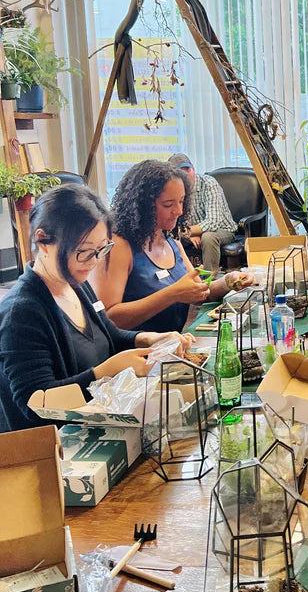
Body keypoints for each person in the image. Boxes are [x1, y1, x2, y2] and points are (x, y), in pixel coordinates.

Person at [0, 185, 193, 432]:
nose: (93, 262)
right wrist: (104, 373)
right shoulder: (22, 313)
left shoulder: (76, 285)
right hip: (56, 451)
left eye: (101, 250)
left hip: (96, 427)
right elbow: (35, 406)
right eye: (83, 252)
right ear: (43, 241)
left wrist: (147, 339)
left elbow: (107, 337)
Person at [90, 160, 251, 333]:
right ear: (143, 206)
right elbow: (109, 318)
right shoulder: (119, 247)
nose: (179, 211)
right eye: (168, 204)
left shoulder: (171, 242)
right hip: (134, 354)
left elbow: (200, 293)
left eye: (182, 201)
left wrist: (229, 281)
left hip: (170, 348)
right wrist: (172, 294)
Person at [166, 153, 237, 272]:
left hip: (222, 230)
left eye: (187, 170)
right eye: (180, 172)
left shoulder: (209, 184)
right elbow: (171, 223)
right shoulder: (173, 190)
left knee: (208, 236)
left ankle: (209, 281)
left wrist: (187, 232)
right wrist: (188, 234)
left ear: (193, 168)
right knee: (168, 237)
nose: (185, 175)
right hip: (190, 232)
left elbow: (213, 223)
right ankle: (180, 278)